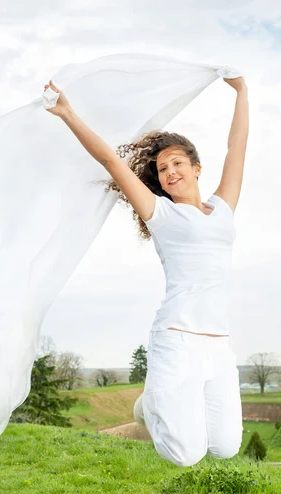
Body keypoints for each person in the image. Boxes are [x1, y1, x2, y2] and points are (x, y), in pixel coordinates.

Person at [43, 74, 249, 467]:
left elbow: (237, 147)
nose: (170, 172)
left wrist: (241, 91)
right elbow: (110, 160)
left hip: (219, 345)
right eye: (162, 168)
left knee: (225, 447)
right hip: (176, 339)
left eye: (177, 163)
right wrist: (68, 113)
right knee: (185, 455)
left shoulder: (223, 209)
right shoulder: (161, 213)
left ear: (196, 168)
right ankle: (153, 406)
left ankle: (152, 401)